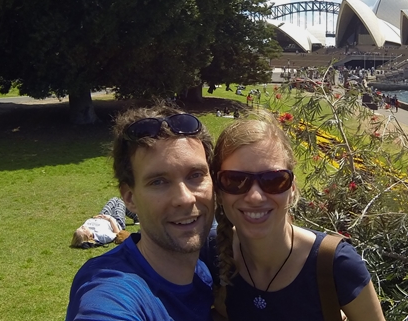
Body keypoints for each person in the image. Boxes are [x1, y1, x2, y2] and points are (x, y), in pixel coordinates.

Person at [209, 116, 385, 321]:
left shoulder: (336, 265)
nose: (255, 196)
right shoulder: (211, 252)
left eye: (273, 180)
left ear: (292, 188)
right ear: (219, 191)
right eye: (235, 180)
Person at [66, 104, 215, 321]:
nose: (185, 198)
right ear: (129, 198)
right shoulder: (112, 290)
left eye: (196, 175)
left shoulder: (205, 273)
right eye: (158, 181)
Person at [70, 197, 139, 249]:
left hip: (102, 216)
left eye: (80, 227)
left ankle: (136, 217)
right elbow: (118, 233)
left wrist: (96, 217)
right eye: (83, 229)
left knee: (114, 199)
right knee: (121, 201)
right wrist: (110, 219)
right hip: (116, 221)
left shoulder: (86, 228)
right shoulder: (102, 236)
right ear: (88, 236)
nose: (83, 226)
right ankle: (136, 217)